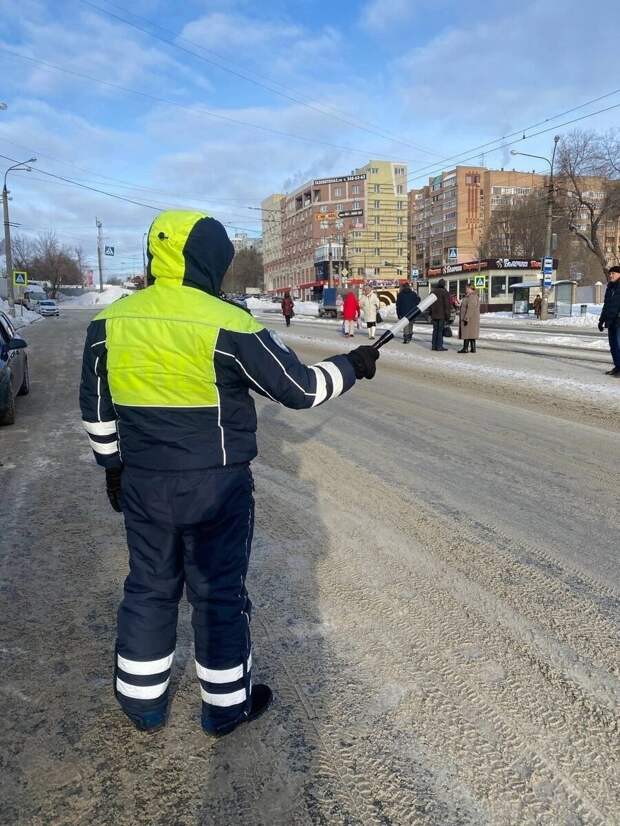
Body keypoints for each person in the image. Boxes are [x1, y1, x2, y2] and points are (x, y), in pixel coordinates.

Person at [79, 210, 380, 737]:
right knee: (218, 593)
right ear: (212, 261)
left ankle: (142, 705)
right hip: (217, 487)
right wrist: (354, 364)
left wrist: (111, 466)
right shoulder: (231, 323)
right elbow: (302, 390)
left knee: (149, 587)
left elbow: (96, 408)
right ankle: (223, 709)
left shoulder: (111, 321)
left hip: (144, 481)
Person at [598, 264, 620, 376]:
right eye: (610, 273)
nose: (611, 275)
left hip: (619, 321)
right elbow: (606, 306)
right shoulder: (610, 287)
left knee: (618, 344)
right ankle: (618, 367)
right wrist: (601, 321)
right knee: (613, 346)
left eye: (613, 273)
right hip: (610, 321)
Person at [458, 283, 481, 353]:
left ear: (470, 289)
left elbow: (471, 308)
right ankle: (473, 348)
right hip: (472, 318)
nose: (466, 289)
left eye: (467, 288)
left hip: (470, 318)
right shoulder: (470, 296)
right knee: (471, 333)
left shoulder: (472, 296)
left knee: (467, 333)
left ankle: (465, 348)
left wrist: (466, 318)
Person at [430, 278, 451, 351]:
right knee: (440, 331)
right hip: (442, 315)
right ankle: (439, 346)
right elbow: (447, 305)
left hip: (434, 315)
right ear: (444, 285)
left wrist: (430, 314)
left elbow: (430, 304)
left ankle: (433, 346)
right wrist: (448, 316)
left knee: (435, 330)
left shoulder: (432, 292)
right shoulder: (445, 293)